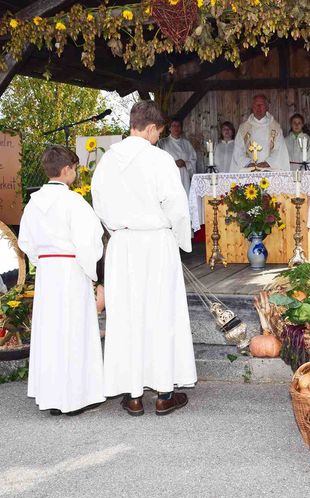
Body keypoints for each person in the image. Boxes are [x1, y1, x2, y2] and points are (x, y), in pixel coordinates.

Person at [92, 100, 197, 417]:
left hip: (123, 245)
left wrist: (119, 229)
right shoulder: (159, 159)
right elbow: (177, 206)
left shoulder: (107, 161)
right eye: (158, 133)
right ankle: (165, 393)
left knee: (127, 316)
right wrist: (178, 240)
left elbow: (99, 203)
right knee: (160, 313)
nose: (157, 139)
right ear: (151, 128)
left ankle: (134, 394)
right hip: (155, 243)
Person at [18, 145, 105, 416]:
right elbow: (90, 241)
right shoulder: (73, 202)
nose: (76, 174)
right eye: (75, 169)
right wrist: (94, 274)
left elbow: (26, 242)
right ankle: (75, 397)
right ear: (66, 169)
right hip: (71, 268)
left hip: (47, 271)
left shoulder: (33, 203)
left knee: (52, 332)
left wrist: (43, 261)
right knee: (74, 330)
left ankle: (53, 397)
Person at [230, 94, 290, 172]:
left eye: (261, 104)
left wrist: (268, 162)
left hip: (269, 170)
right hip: (249, 170)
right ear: (252, 107)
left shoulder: (275, 128)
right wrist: (248, 163)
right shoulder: (244, 128)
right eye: (256, 105)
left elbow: (279, 150)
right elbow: (238, 150)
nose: (258, 107)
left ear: (267, 107)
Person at [158, 117, 197, 196]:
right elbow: (158, 162)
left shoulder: (186, 144)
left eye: (178, 126)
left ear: (181, 128)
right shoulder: (162, 143)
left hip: (184, 179)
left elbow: (193, 160)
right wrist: (173, 163)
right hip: (169, 179)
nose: (176, 128)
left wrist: (185, 164)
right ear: (169, 128)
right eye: (173, 125)